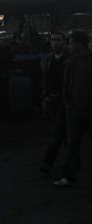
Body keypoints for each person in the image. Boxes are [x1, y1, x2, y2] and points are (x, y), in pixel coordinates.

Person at [54, 30, 92, 187]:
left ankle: (69, 176)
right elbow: (66, 86)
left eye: (70, 42)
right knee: (73, 145)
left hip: (82, 110)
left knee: (73, 144)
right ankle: (69, 175)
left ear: (78, 43)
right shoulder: (71, 62)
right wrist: (67, 104)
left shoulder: (77, 61)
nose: (68, 45)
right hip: (75, 110)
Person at [39, 31, 68, 176]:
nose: (55, 43)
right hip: (52, 100)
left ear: (64, 42)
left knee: (57, 135)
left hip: (66, 102)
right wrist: (44, 96)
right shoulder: (49, 59)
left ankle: (47, 164)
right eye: (53, 40)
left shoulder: (71, 59)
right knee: (63, 134)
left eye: (58, 40)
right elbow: (46, 80)